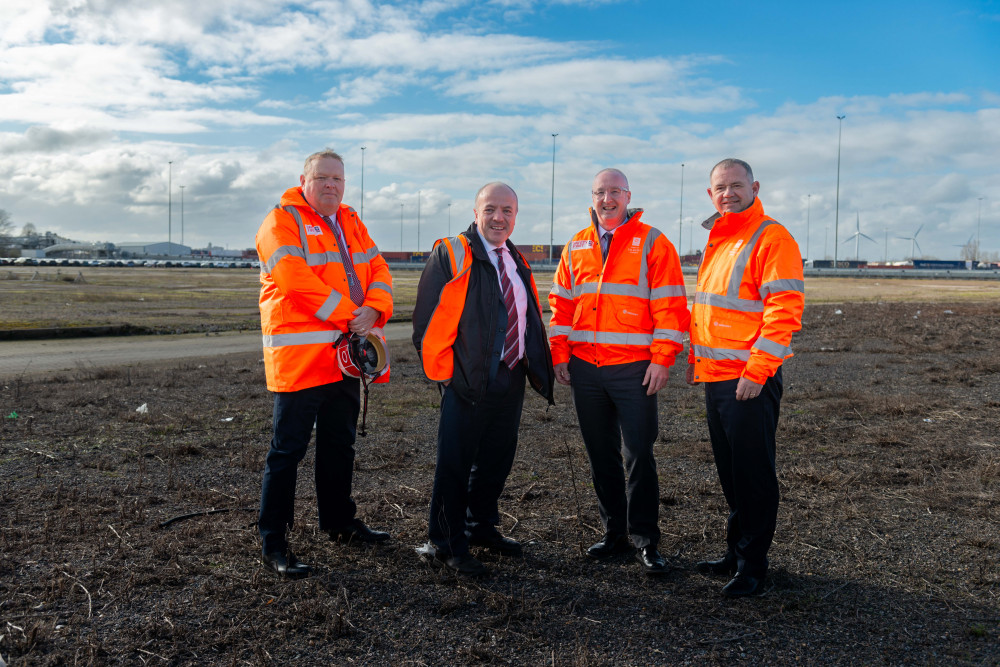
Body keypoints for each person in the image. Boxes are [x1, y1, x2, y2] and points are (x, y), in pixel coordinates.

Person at [254, 149, 394, 579]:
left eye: (338, 179)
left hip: (344, 360)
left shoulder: (351, 221)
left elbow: (380, 269)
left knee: (340, 445)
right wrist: (353, 314)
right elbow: (297, 280)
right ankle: (273, 540)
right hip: (302, 359)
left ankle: (338, 523)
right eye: (322, 178)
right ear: (304, 180)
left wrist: (376, 307)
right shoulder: (282, 221)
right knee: (287, 452)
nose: (331, 185)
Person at [549, 168, 689, 576]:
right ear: (591, 197)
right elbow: (561, 305)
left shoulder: (653, 242)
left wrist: (663, 359)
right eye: (600, 192)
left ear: (628, 197)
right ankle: (615, 534)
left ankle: (645, 539)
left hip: (634, 370)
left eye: (615, 192)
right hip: (585, 370)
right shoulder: (576, 246)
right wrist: (559, 353)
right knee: (601, 456)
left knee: (639, 453)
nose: (607, 199)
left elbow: (670, 307)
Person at [412, 182, 554, 577]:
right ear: (476, 212)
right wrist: (447, 377)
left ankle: (481, 528)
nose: (499, 218)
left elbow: (525, 318)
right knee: (455, 464)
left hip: (510, 376)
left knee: (496, 459)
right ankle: (445, 542)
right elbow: (426, 322)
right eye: (491, 209)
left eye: (507, 211)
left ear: (515, 216)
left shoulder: (515, 258)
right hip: (466, 381)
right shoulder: (452, 252)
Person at [686, 158, 804, 597]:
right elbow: (714, 310)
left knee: (753, 473)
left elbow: (783, 311)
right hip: (717, 378)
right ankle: (736, 552)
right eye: (720, 187)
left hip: (748, 379)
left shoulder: (771, 237)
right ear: (710, 193)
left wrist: (757, 371)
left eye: (736, 185)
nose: (728, 193)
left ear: (754, 186)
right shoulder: (720, 238)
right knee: (731, 472)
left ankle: (753, 565)